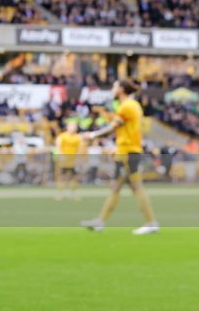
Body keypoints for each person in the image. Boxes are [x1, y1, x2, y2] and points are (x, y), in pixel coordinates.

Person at [81, 80, 159, 235]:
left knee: (135, 186)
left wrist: (92, 135)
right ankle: (100, 221)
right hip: (127, 151)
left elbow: (113, 128)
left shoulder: (127, 106)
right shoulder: (132, 105)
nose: (112, 89)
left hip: (128, 152)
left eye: (114, 87)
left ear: (121, 89)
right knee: (117, 187)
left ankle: (151, 223)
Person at [54, 121, 83, 201]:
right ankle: (60, 193)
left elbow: (79, 149)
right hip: (64, 159)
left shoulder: (78, 137)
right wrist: (61, 155)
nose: (73, 128)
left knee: (73, 177)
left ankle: (72, 194)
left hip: (73, 159)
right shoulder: (62, 136)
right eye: (72, 126)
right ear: (68, 127)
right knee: (62, 176)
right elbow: (58, 146)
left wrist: (78, 158)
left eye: (75, 127)